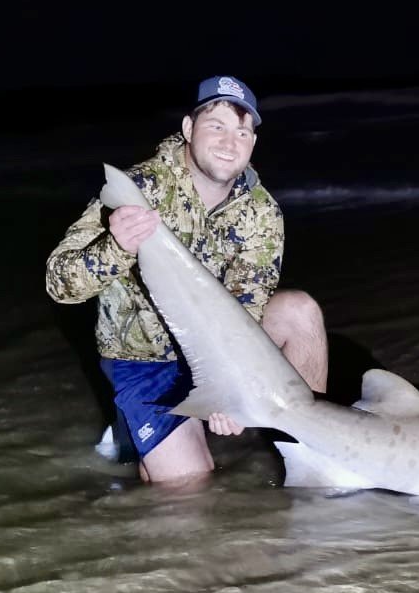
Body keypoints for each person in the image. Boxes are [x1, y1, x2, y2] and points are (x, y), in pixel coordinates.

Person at [46, 75, 327, 482]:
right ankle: (136, 435)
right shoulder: (139, 189)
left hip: (217, 346)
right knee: (188, 487)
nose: (231, 142)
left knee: (299, 312)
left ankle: (312, 452)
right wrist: (116, 247)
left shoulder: (261, 212)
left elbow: (247, 309)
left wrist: (232, 390)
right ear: (188, 129)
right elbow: (59, 283)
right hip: (145, 358)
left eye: (243, 131)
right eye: (217, 126)